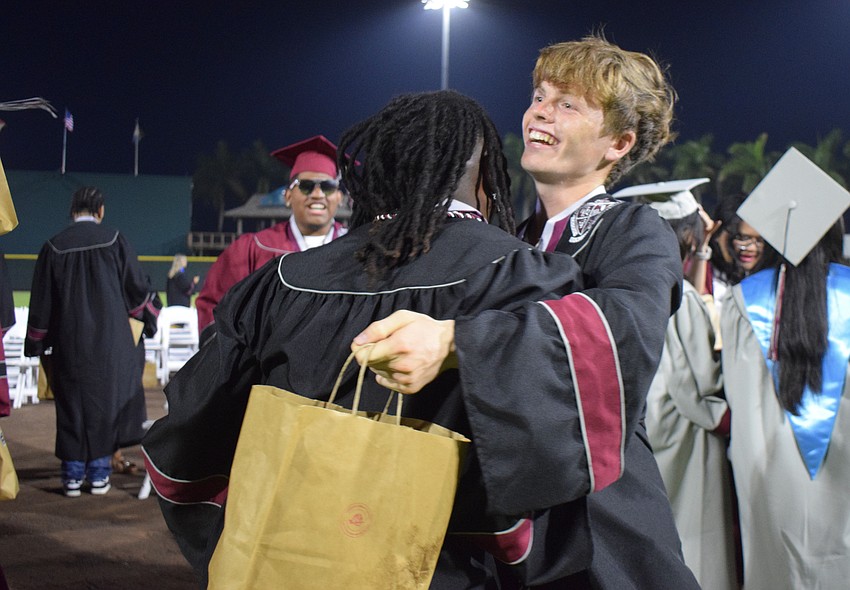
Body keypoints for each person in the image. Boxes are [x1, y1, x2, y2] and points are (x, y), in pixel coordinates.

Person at [142, 90, 587, 588]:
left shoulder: (283, 279)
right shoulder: (521, 275)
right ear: (485, 180)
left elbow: (190, 430)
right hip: (442, 567)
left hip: (289, 558)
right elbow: (548, 461)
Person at [353, 35, 701, 587]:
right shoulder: (512, 241)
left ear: (618, 142)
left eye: (568, 104)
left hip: (596, 502)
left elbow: (624, 323)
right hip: (499, 498)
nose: (541, 111)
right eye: (539, 95)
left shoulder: (636, 231)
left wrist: (456, 343)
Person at [25, 187, 159, 497]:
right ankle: (99, 474)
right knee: (105, 405)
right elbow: (137, 293)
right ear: (100, 211)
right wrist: (149, 320)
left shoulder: (53, 247)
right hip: (111, 345)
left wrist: (36, 344)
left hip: (69, 344)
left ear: (72, 211)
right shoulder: (114, 240)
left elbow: (41, 302)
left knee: (71, 405)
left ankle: (72, 475)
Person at [641, 190, 737, 590]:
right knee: (697, 537)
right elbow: (697, 379)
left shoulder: (633, 287)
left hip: (648, 423)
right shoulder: (685, 302)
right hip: (687, 433)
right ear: (689, 237)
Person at [194, 135, 347, 341]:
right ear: (288, 196)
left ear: (339, 197)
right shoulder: (253, 249)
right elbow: (215, 306)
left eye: (327, 186)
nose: (318, 194)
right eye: (306, 185)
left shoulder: (356, 251)